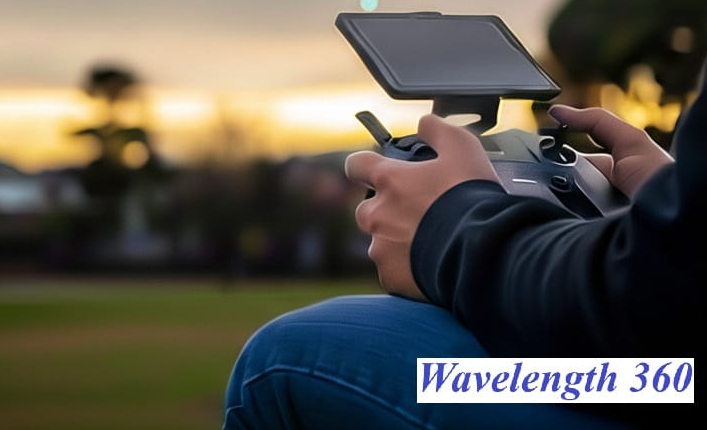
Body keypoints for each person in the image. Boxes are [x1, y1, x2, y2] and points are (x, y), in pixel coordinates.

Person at [221, 65, 704, 429]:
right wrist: (670, 195)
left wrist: (450, 227)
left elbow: (650, 296)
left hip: (666, 383)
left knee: (285, 356)